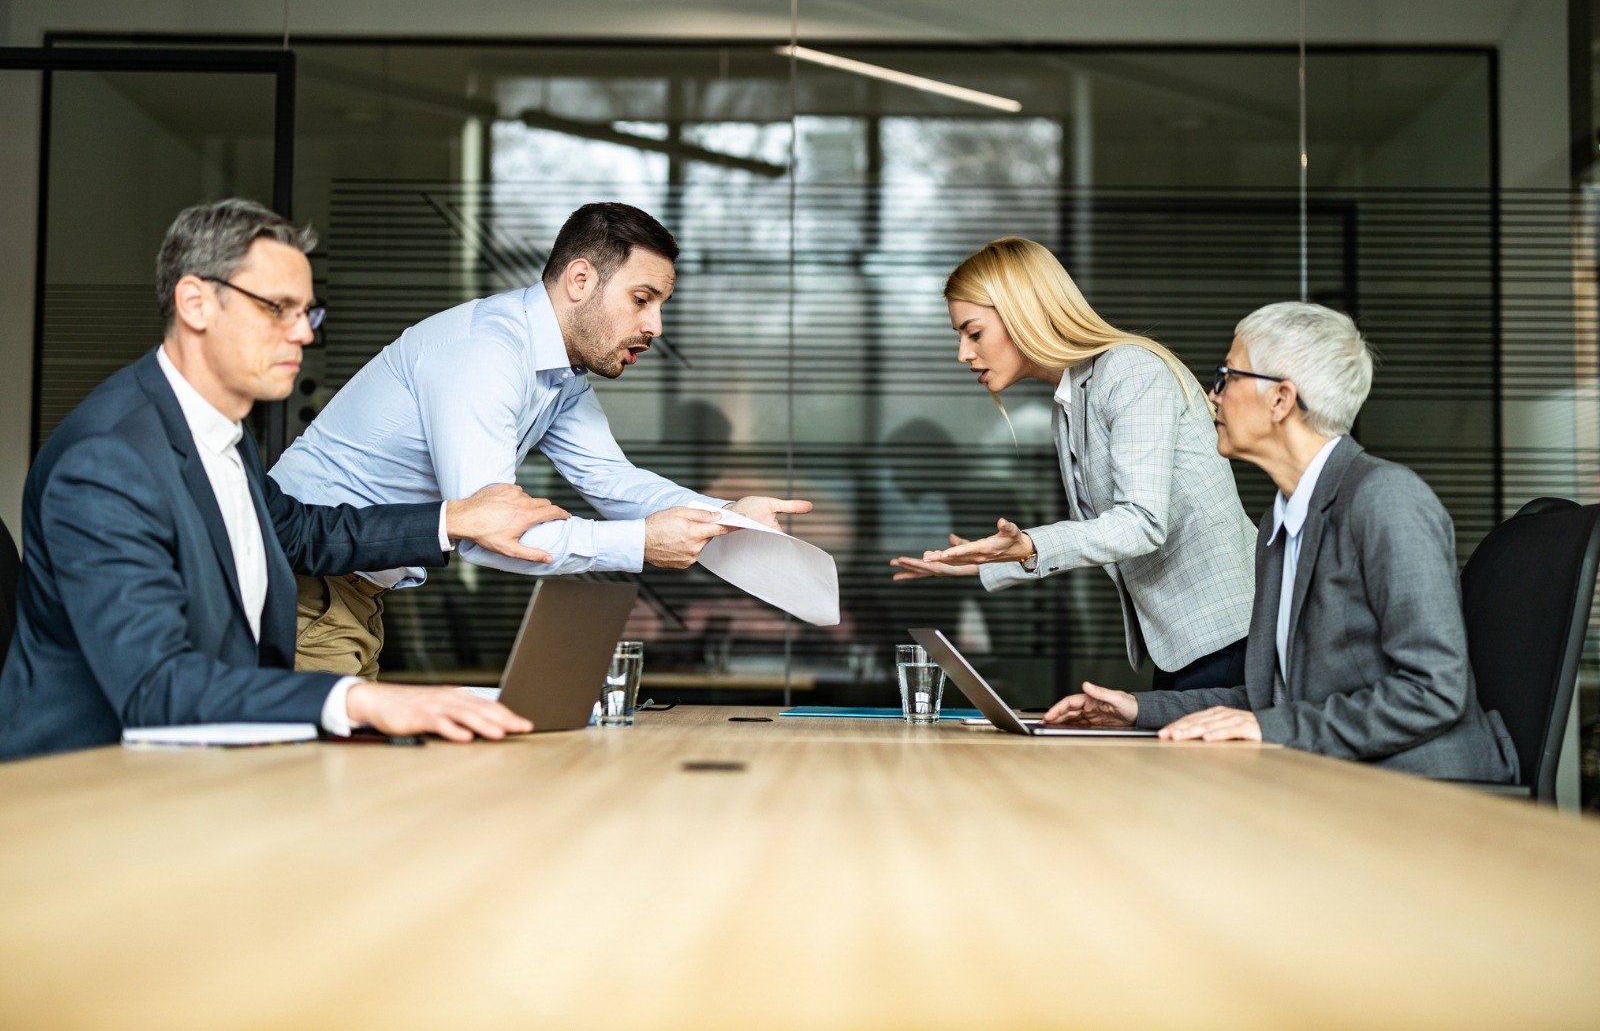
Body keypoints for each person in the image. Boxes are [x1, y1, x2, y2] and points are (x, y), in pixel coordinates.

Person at [0, 199, 569, 759]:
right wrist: (355, 700)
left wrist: (452, 519)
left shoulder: (223, 432)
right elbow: (156, 686)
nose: (303, 333)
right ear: (196, 303)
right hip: (86, 790)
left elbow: (298, 532)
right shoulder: (106, 459)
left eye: (307, 312)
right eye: (278, 308)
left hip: (209, 763)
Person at [271, 202, 810, 677]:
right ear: (580, 280)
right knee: (318, 779)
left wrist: (728, 514)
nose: (656, 326)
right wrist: (640, 543)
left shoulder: (559, 373)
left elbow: (609, 479)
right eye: (642, 299)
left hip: (350, 591)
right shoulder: (487, 354)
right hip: (308, 579)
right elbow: (493, 536)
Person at [1044, 302, 1519, 782]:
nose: (1212, 396)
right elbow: (1268, 700)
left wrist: (1270, 726)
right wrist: (1137, 710)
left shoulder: (1386, 499)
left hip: (1423, 789)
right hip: (1335, 778)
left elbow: (1434, 692)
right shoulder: (1280, 520)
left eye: (1226, 376)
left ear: (1281, 400)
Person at [889, 237, 1257, 691]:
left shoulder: (1128, 372)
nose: (963, 353)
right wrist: (989, 561)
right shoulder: (1069, 403)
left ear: (1023, 311)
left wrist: (1027, 545)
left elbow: (1142, 523)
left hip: (1227, 639)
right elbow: (1102, 536)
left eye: (974, 332)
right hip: (1187, 645)